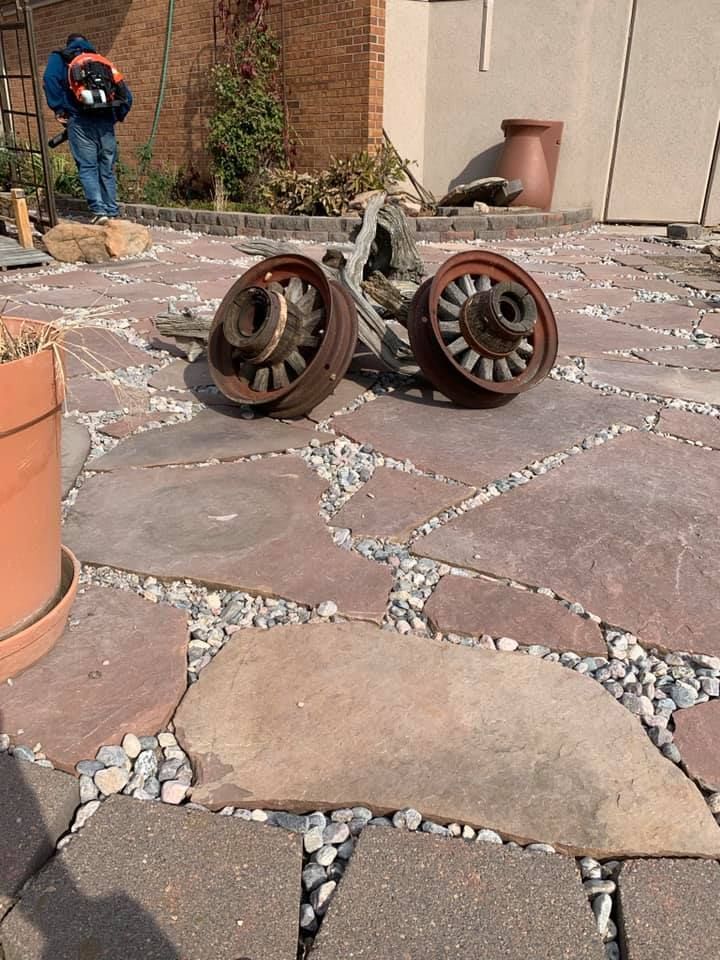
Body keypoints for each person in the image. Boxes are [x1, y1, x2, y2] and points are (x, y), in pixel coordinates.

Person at [43, 34, 132, 224]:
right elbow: (125, 93)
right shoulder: (100, 59)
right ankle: (112, 210)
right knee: (106, 167)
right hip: (106, 120)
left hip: (80, 119)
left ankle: (99, 211)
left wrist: (59, 107)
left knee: (88, 166)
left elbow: (49, 79)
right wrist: (118, 115)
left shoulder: (60, 58)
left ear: (68, 44)